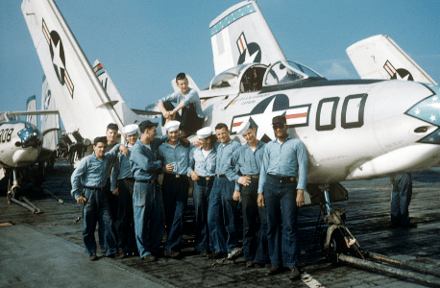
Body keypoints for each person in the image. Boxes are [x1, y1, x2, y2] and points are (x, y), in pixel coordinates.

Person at [257, 115, 308, 281]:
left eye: (280, 126)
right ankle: (275, 262)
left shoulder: (297, 144)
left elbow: (303, 168)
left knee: (289, 225)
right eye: (275, 126)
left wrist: (300, 190)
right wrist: (260, 192)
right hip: (270, 185)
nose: (277, 129)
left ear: (286, 127)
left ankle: (293, 263)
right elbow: (264, 169)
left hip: (288, 187)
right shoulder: (269, 146)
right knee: (271, 225)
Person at [70, 136, 122, 261]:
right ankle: (91, 251)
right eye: (99, 147)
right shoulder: (87, 160)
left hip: (103, 194)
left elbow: (114, 149)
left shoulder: (108, 157)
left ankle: (111, 250)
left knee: (108, 222)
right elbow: (75, 176)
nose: (102, 149)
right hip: (89, 195)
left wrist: (121, 145)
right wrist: (77, 194)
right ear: (94, 147)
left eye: (104, 147)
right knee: (89, 225)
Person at [225, 121, 269, 268]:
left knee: (265, 222)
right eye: (245, 135)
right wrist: (238, 179)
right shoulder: (240, 151)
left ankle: (261, 257)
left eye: (249, 133)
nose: (248, 137)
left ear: (254, 130)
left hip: (263, 185)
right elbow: (227, 167)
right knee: (248, 223)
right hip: (248, 186)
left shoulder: (265, 147)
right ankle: (249, 257)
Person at [130, 120, 168, 261]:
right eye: (154, 130)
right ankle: (144, 252)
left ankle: (154, 247)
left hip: (154, 185)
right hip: (142, 186)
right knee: (141, 220)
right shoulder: (137, 149)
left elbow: (164, 137)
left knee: (158, 218)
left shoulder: (152, 143)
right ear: (146, 131)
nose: (156, 133)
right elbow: (146, 165)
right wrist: (161, 164)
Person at [158, 120, 193, 258]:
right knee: (170, 215)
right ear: (167, 133)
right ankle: (174, 245)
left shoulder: (186, 146)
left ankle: (170, 245)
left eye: (175, 132)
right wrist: (163, 169)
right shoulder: (160, 148)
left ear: (179, 132)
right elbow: (154, 164)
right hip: (169, 181)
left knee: (180, 213)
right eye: (171, 133)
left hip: (183, 181)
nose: (173, 135)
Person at [207, 123, 241, 259]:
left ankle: (232, 247)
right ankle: (219, 247)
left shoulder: (236, 147)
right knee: (212, 215)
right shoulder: (218, 146)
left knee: (230, 216)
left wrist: (237, 188)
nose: (221, 136)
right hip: (217, 181)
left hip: (229, 181)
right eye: (218, 134)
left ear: (228, 132)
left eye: (223, 133)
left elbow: (239, 168)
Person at [110, 124, 139, 258]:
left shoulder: (141, 148)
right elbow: (115, 170)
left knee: (136, 216)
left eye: (134, 135)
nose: (132, 138)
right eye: (129, 136)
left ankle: (134, 246)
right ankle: (123, 245)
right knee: (124, 216)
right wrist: (113, 186)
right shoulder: (121, 150)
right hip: (124, 183)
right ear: (126, 137)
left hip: (137, 183)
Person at [188, 127, 217, 256]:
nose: (199, 141)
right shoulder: (194, 152)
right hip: (199, 184)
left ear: (208, 140)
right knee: (200, 214)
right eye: (198, 139)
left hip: (212, 183)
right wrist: (191, 172)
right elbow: (189, 165)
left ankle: (212, 244)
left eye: (201, 139)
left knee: (212, 215)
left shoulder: (217, 152)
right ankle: (201, 245)